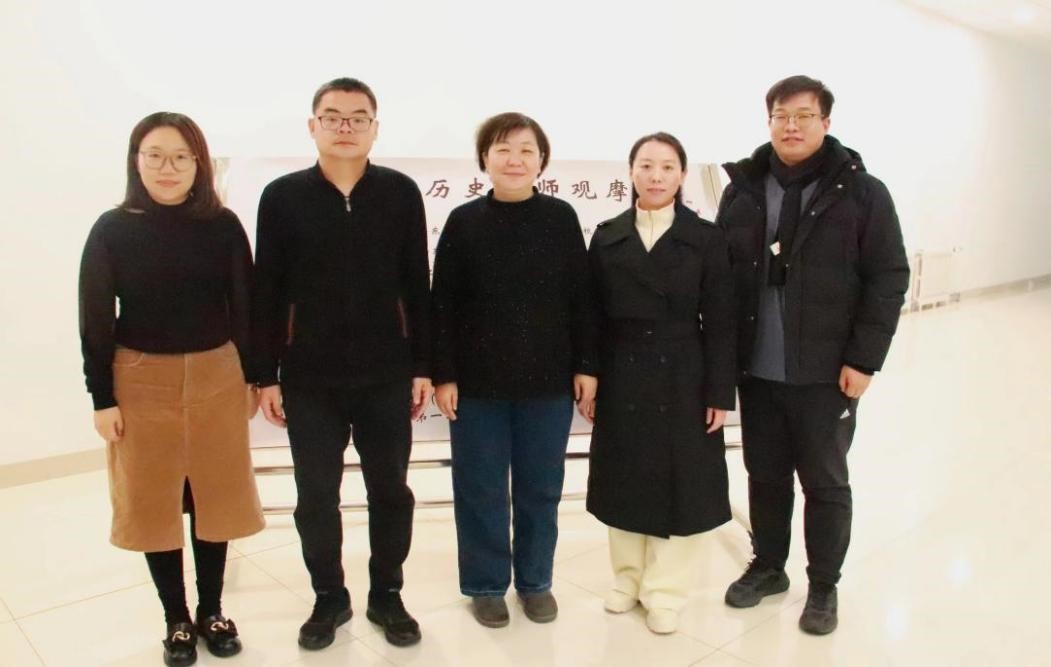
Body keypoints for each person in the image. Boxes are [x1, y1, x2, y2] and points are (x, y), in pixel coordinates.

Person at [717, 75, 909, 635]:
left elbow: (888, 277)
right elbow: (721, 276)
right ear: (769, 122)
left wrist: (864, 359)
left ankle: (823, 584)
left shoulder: (862, 193)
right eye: (781, 115)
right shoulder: (744, 190)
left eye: (804, 115)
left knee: (824, 482)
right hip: (757, 368)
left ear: (826, 122)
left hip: (827, 372)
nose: (792, 126)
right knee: (764, 474)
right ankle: (768, 566)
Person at [79, 111, 265, 667]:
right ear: (136, 161)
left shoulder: (222, 225)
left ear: (198, 164)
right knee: (154, 500)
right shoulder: (112, 229)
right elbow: (95, 318)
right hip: (139, 378)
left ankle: (212, 610)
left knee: (216, 497)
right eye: (155, 155)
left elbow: (245, 306)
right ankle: (176, 619)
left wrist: (252, 376)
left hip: (217, 374)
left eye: (182, 156)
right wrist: (102, 397)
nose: (168, 167)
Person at [252, 77, 432, 650]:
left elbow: (418, 285)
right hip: (309, 378)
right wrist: (265, 375)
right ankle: (329, 595)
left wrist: (422, 366)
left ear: (375, 128)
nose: (345, 127)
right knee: (315, 497)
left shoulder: (400, 193)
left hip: (386, 374)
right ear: (313, 126)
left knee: (391, 491)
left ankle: (387, 593)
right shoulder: (282, 197)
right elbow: (267, 291)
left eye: (358, 117)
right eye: (333, 117)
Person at [430, 112, 597, 628]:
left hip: (547, 383)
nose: (514, 160)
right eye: (502, 149)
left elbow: (582, 298)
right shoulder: (463, 221)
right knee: (479, 487)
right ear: (485, 158)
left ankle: (535, 581)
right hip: (477, 386)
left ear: (542, 160)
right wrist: (444, 374)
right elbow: (442, 305)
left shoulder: (560, 218)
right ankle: (485, 585)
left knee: (540, 488)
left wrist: (587, 366)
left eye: (526, 150)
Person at [585, 132, 736, 634]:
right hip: (621, 369)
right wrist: (589, 373)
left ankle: (666, 591)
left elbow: (721, 319)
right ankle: (626, 579)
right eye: (646, 165)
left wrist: (719, 391)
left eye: (667, 167)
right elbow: (590, 315)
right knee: (624, 475)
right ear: (630, 172)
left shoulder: (706, 238)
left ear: (682, 175)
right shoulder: (607, 235)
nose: (655, 176)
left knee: (682, 480)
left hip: (684, 371)